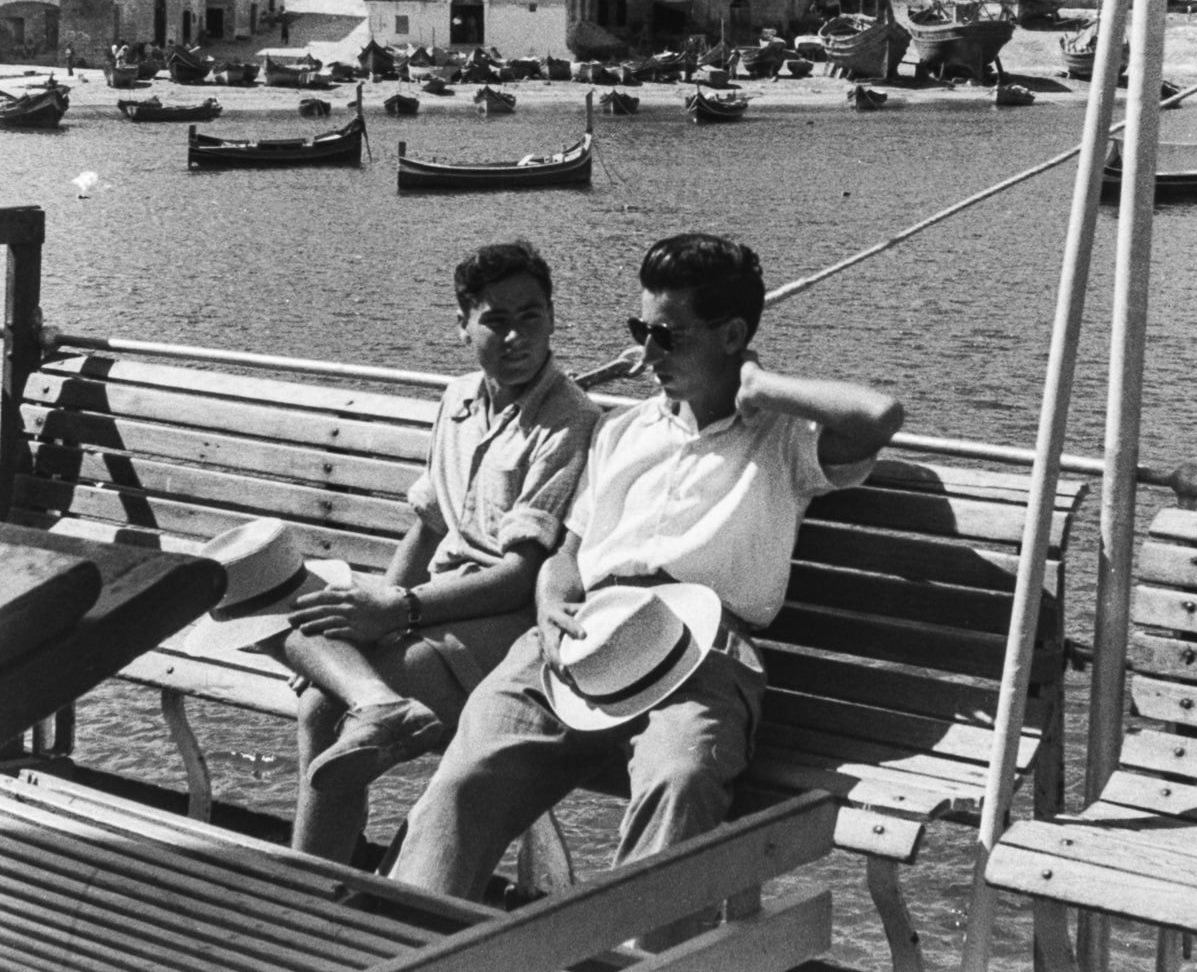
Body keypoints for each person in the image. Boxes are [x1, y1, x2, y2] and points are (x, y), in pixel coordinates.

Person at [388, 232, 905, 935]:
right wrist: (549, 595)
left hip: (702, 659)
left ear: (731, 335)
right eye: (642, 331)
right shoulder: (621, 431)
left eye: (669, 336)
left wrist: (760, 385)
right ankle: (416, 947)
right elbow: (570, 552)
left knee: (678, 783)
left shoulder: (783, 441)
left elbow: (879, 417)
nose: (649, 354)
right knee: (462, 785)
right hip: (579, 641)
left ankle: (638, 954)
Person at [249, 239, 597, 862]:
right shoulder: (458, 399)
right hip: (431, 604)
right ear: (462, 325)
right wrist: (372, 608)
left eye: (531, 317)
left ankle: (310, 886)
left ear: (552, 319)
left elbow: (522, 576)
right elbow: (431, 524)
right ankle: (371, 713)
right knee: (290, 626)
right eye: (495, 319)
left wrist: (396, 611)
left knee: (324, 705)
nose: (516, 337)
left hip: (503, 625)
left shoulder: (569, 420)